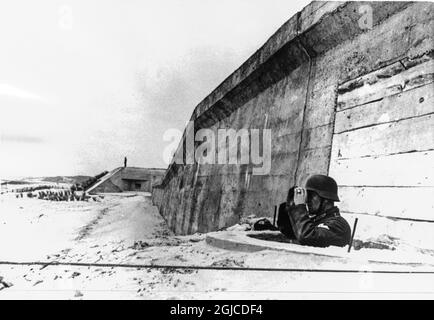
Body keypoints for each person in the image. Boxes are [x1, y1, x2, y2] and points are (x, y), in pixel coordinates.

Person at [277, 174, 351, 248]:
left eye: (311, 195)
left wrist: (300, 207)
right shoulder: (318, 220)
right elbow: (290, 233)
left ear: (326, 200)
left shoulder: (338, 224)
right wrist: (291, 206)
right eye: (307, 195)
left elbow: (307, 237)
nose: (307, 200)